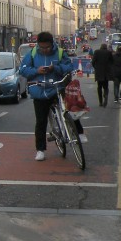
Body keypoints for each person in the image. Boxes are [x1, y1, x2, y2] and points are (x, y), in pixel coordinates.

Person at [18, 31, 73, 161]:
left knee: (69, 111)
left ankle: (77, 132)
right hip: (39, 91)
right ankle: (40, 150)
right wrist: (36, 70)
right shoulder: (32, 54)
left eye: (47, 47)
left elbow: (69, 67)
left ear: (52, 44)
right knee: (41, 122)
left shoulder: (59, 52)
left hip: (56, 88)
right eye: (42, 47)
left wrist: (56, 68)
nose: (45, 50)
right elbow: (23, 70)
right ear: (38, 45)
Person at [91, 42, 113, 107]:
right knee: (106, 87)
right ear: (106, 47)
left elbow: (93, 62)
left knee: (99, 87)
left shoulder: (96, 52)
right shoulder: (109, 52)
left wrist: (96, 68)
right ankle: (106, 95)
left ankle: (100, 102)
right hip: (106, 72)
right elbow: (112, 62)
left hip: (99, 72)